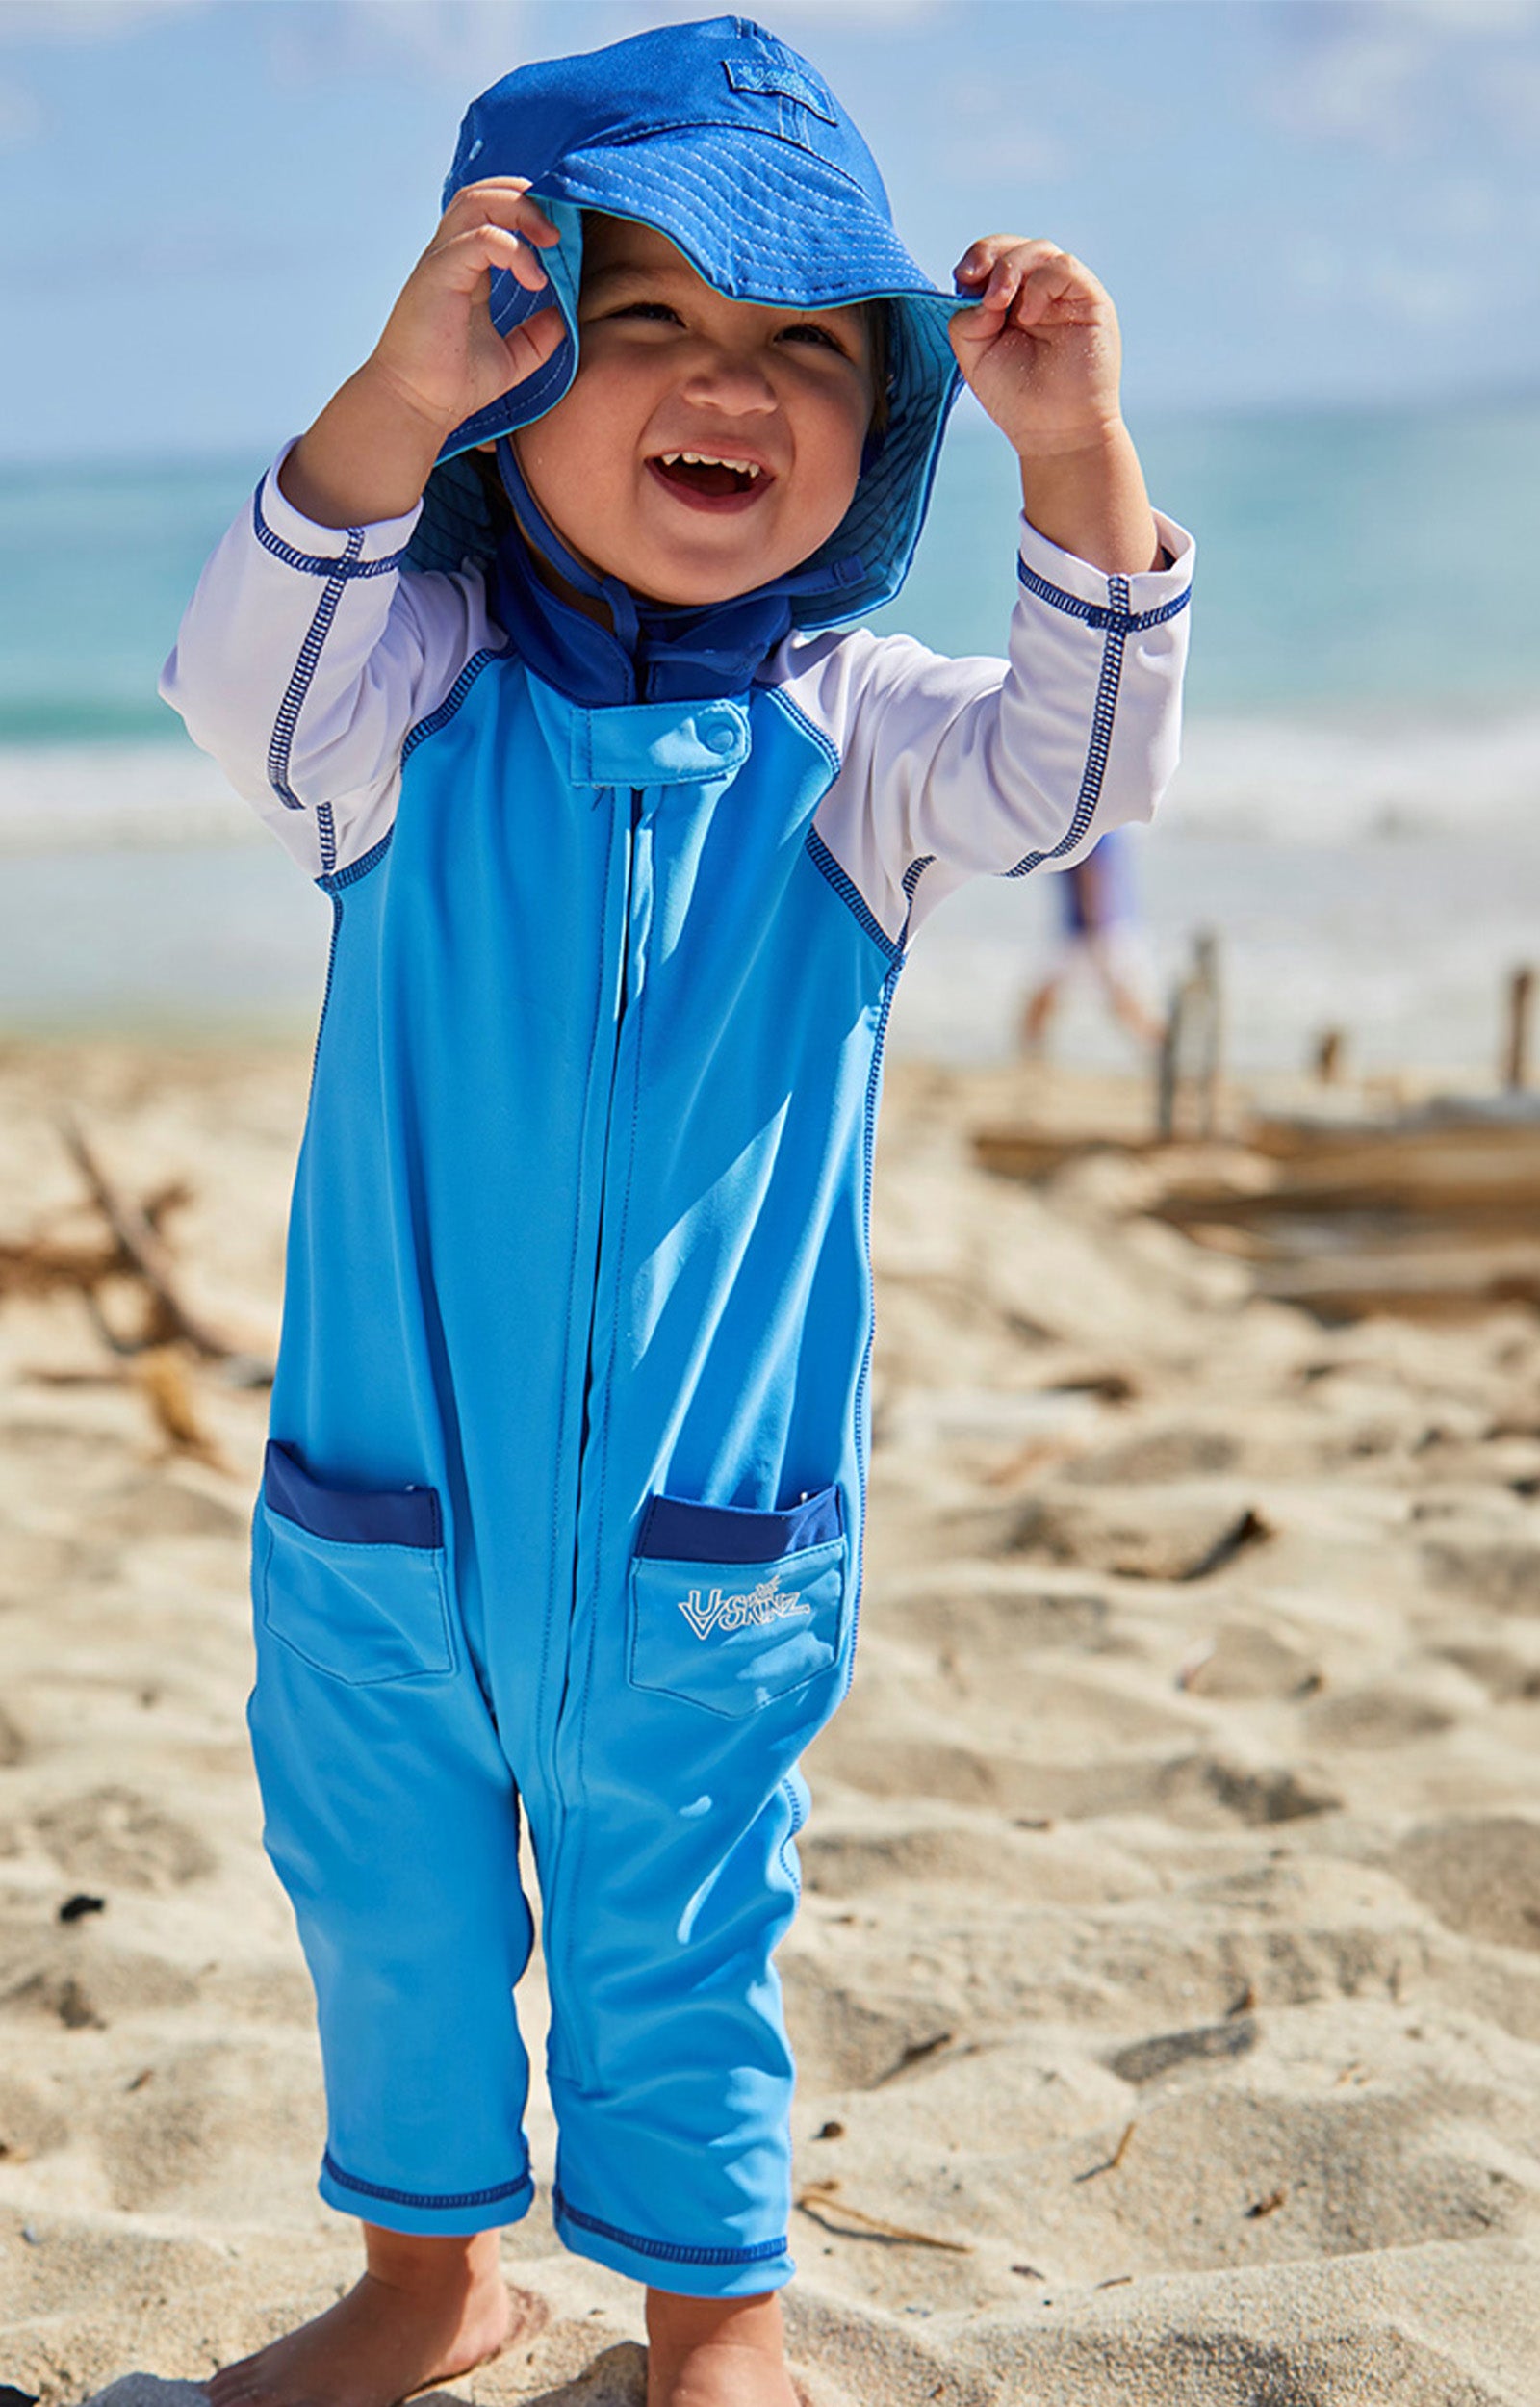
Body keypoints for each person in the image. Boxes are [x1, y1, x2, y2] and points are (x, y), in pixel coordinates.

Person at [161, 18, 1192, 2407]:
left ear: (874, 435)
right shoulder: (396, 712)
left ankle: (709, 2320)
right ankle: (427, 2288)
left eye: (802, 346)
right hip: (378, 1514)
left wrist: (1079, 457)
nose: (729, 377)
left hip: (704, 1538)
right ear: (516, 364)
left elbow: (1085, 772)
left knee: (683, 1926)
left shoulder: (868, 744)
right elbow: (240, 669)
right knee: (387, 1907)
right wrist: (389, 398)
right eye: (650, 323)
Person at [1018, 824, 1166, 1053]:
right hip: (1099, 926)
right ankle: (1031, 1058)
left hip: (1095, 929)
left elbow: (1093, 879)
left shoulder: (1086, 829)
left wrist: (1096, 933)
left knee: (1125, 1004)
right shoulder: (1111, 823)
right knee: (1046, 1000)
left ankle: (1168, 1053)